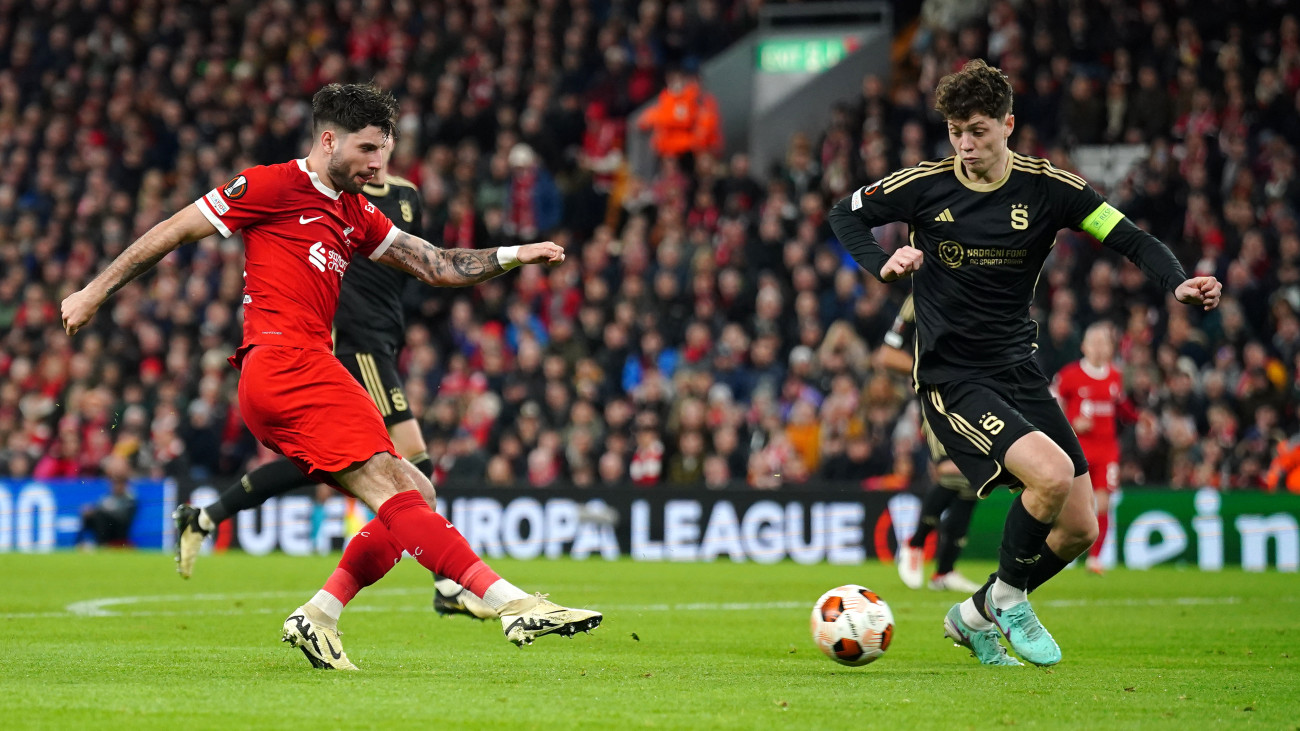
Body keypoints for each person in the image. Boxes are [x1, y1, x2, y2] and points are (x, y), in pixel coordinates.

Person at [61, 83, 601, 671]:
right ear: (328, 139)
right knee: (394, 488)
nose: (378, 166)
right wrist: (93, 292)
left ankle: (320, 615)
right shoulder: (270, 185)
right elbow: (171, 231)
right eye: (368, 150)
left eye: (385, 153)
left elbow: (437, 265)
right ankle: (508, 601)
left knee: (414, 491)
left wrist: (514, 255)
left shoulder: (353, 212)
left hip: (314, 366)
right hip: (282, 364)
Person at [828, 60, 1221, 667]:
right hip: (951, 375)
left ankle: (973, 614)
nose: (965, 144)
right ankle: (1009, 598)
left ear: (1008, 125)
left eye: (978, 130)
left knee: (1080, 529)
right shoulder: (924, 185)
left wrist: (1176, 283)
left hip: (1018, 369)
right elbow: (844, 213)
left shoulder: (1049, 189)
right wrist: (879, 264)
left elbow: (1131, 238)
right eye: (956, 130)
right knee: (1051, 474)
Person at [171, 146, 494, 621]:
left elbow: (418, 261)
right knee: (416, 465)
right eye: (368, 146)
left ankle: (205, 516)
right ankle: (447, 582)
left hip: (386, 339)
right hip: (353, 345)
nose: (376, 156)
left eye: (382, 146)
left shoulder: (406, 197)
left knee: (316, 466)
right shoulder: (337, 195)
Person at [877, 295, 983, 594]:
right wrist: (933, 370)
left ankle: (944, 572)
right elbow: (887, 355)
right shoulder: (920, 296)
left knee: (976, 479)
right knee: (953, 471)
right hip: (938, 398)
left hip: (978, 396)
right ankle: (915, 544)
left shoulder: (978, 284)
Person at [1052, 321, 1137, 575]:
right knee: (1072, 505)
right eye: (1095, 343)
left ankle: (1095, 559)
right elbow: (1051, 409)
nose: (1100, 349)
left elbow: (1121, 406)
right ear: (1084, 346)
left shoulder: (1116, 376)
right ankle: (1064, 553)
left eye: (1105, 343)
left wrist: (1139, 419)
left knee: (1103, 503)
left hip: (1107, 450)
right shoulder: (1068, 375)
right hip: (1076, 449)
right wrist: (1072, 422)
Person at [77, 455, 137, 548]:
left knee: (100, 516)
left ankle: (101, 543)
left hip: (118, 529)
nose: (115, 486)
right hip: (105, 523)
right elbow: (99, 506)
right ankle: (79, 542)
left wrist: (103, 511)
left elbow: (124, 516)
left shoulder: (130, 497)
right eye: (114, 484)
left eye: (118, 484)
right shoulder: (108, 497)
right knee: (89, 516)